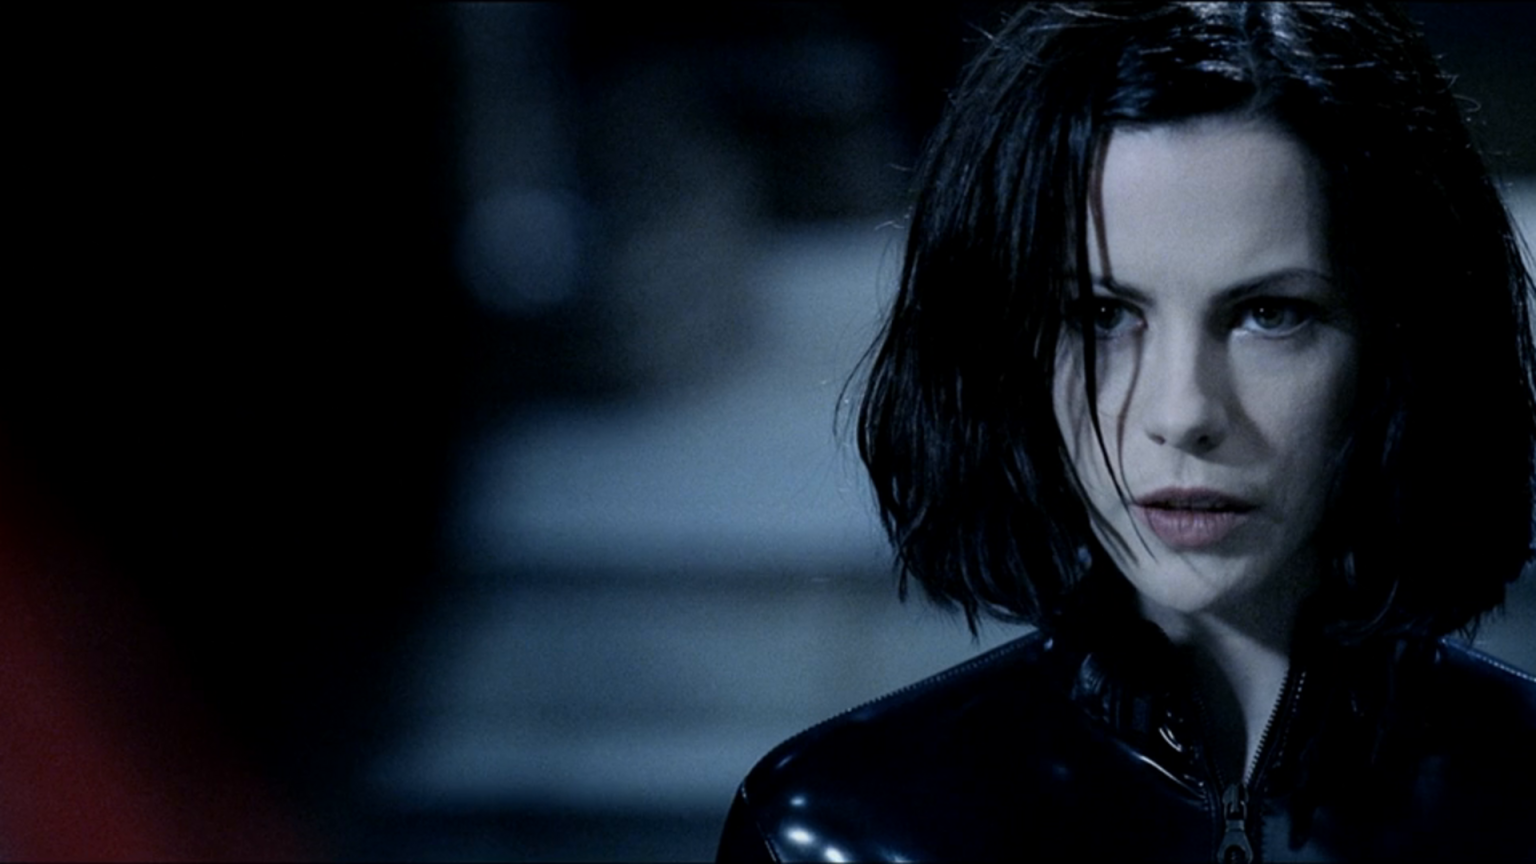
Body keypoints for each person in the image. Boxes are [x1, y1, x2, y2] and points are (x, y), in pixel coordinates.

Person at [717, 3, 1536, 861]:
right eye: (1100, 316)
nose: (1184, 412)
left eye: (1269, 314)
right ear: (1002, 349)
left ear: (1404, 345)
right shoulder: (836, 832)